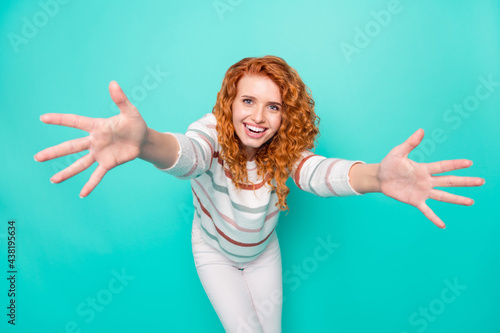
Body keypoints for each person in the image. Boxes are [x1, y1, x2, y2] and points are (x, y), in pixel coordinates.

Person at [34, 56, 484, 333]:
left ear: (284, 118)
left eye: (274, 106)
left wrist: (377, 178)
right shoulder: (208, 133)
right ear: (229, 103)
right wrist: (145, 141)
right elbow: (186, 154)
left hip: (263, 252)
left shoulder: (283, 148)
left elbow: (317, 172)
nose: (258, 116)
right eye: (248, 101)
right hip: (213, 251)